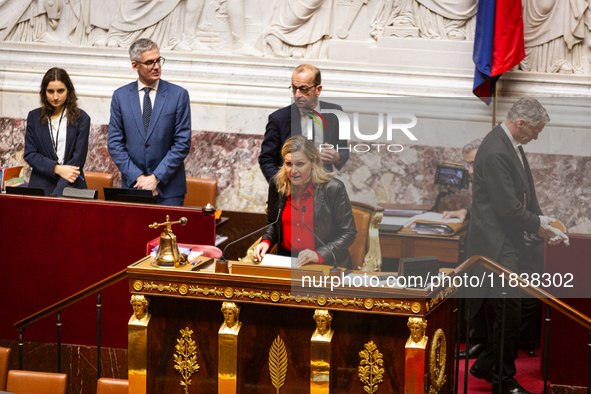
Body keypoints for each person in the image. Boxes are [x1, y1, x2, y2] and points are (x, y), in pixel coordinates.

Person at [467, 98, 568, 394]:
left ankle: (488, 362)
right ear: (521, 123)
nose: (536, 137)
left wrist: (541, 217)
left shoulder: (512, 144)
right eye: (535, 130)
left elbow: (524, 190)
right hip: (496, 245)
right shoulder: (497, 149)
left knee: (527, 302)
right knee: (506, 311)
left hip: (511, 241)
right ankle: (503, 380)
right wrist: (541, 228)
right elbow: (507, 207)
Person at [108, 38, 192, 206]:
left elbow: (182, 143)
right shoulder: (120, 96)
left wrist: (156, 178)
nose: (157, 66)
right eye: (149, 63)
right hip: (134, 187)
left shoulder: (178, 95)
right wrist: (139, 178)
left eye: (158, 60)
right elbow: (114, 143)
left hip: (169, 191)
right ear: (135, 65)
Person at [253, 136, 357, 268]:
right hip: (286, 261)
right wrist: (266, 241)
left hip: (324, 263)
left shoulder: (333, 189)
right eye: (289, 164)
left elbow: (348, 232)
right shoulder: (277, 185)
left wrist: (319, 254)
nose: (294, 170)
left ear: (313, 161)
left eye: (300, 164)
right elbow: (273, 223)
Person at [258, 64, 349, 183]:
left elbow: (343, 148)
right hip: (291, 193)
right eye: (294, 88)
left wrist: (337, 157)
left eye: (304, 89)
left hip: (323, 190)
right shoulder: (279, 118)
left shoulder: (334, 114)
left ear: (318, 90)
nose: (297, 95)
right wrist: (282, 186)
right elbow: (267, 159)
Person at [24, 67, 90, 197]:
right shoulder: (33, 117)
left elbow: (77, 160)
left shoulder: (82, 118)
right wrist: (56, 169)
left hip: (71, 186)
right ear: (44, 92)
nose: (55, 97)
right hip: (40, 186)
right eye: (50, 91)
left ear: (68, 91)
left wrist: (56, 195)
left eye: (60, 91)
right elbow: (30, 154)